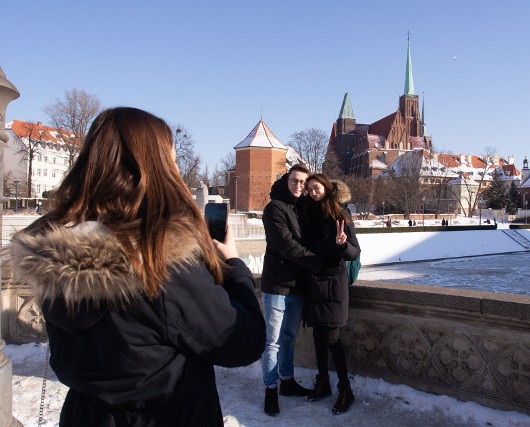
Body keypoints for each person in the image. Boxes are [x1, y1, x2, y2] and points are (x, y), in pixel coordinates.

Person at [7, 107, 266, 427]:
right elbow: (242, 342)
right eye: (171, 159)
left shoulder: (56, 257)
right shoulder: (159, 265)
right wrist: (235, 266)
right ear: (154, 167)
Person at [261, 164, 324, 416]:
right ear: (287, 180)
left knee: (288, 338)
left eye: (303, 182)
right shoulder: (274, 208)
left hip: (297, 286)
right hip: (277, 285)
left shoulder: (303, 207)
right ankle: (270, 389)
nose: (299, 186)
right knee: (273, 342)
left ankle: (287, 382)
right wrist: (319, 262)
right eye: (295, 181)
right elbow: (287, 246)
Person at [301, 174, 361, 415]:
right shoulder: (306, 213)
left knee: (333, 338)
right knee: (318, 335)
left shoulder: (340, 214)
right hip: (314, 280)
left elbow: (354, 252)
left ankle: (345, 389)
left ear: (326, 188)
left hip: (334, 282)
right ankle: (323, 382)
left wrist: (342, 244)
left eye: (316, 188)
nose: (313, 192)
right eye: (309, 189)